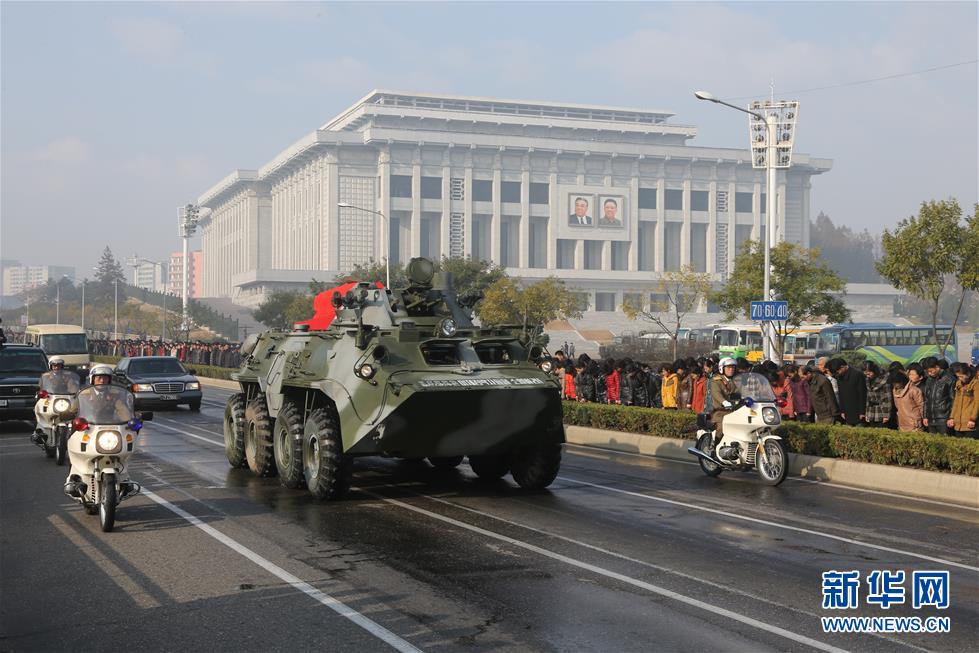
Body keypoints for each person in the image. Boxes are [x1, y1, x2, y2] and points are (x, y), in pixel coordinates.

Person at [827, 358, 866, 426]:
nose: (836, 374)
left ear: (842, 367)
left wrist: (862, 412)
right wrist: (842, 411)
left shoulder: (857, 374)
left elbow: (862, 394)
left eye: (837, 371)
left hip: (858, 411)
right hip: (847, 412)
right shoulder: (839, 377)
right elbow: (841, 395)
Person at [922, 356, 955, 435]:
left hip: (944, 418)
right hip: (930, 418)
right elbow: (926, 399)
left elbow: (953, 400)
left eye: (931, 371)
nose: (929, 373)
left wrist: (951, 417)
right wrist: (925, 416)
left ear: (937, 367)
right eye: (927, 372)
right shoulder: (929, 380)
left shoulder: (949, 379)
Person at [709, 357, 738, 441]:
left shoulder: (735, 381)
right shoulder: (716, 381)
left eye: (733, 367)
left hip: (734, 411)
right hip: (720, 412)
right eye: (728, 367)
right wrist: (724, 402)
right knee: (721, 428)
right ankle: (715, 448)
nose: (731, 370)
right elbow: (716, 393)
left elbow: (741, 391)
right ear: (722, 368)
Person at [948, 362, 978, 438]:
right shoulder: (958, 383)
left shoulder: (975, 383)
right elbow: (956, 402)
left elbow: (977, 403)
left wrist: (973, 419)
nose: (960, 379)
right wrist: (951, 417)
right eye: (958, 376)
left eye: (961, 376)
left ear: (967, 373)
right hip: (958, 423)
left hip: (969, 422)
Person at [862, 361, 892, 428]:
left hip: (881, 410)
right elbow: (868, 397)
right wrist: (867, 413)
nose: (868, 375)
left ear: (874, 370)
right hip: (871, 410)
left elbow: (887, 398)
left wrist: (886, 415)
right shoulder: (867, 379)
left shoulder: (885, 379)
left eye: (869, 373)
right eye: (866, 374)